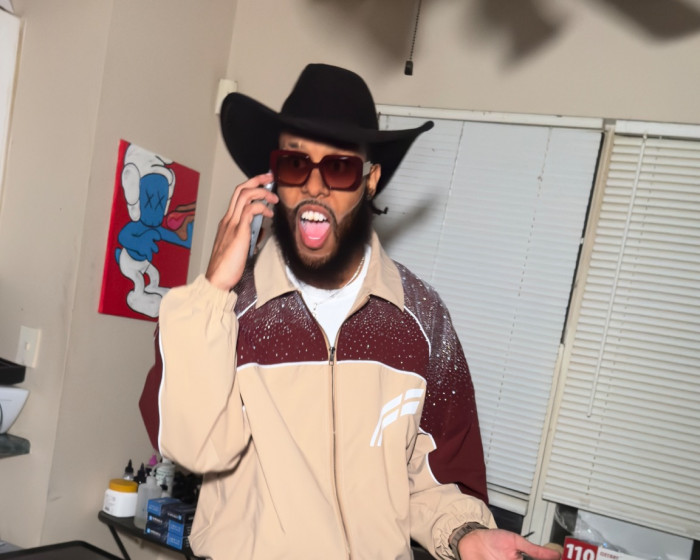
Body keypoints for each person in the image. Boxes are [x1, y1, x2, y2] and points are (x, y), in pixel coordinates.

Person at [154, 63, 560, 560]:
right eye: (295, 163)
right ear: (275, 178)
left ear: (370, 180)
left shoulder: (422, 318)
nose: (315, 186)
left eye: (340, 167)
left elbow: (433, 477)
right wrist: (214, 288)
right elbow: (195, 447)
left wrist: (465, 534)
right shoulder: (227, 311)